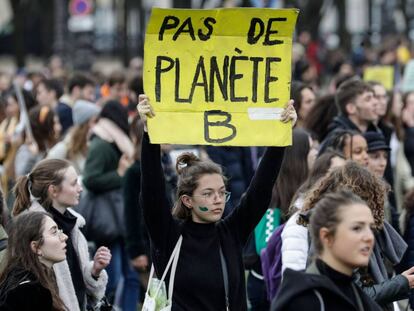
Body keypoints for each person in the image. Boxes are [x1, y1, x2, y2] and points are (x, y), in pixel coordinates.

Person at [137, 94, 296, 310]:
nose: (218, 200)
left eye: (222, 193)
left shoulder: (231, 232)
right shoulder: (169, 235)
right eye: (208, 194)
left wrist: (281, 134)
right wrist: (149, 133)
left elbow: (260, 189)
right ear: (187, 200)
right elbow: (152, 192)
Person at [12, 159, 110, 311]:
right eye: (73, 183)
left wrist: (94, 271)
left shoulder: (74, 224)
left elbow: (78, 284)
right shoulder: (32, 229)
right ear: (53, 190)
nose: (80, 188)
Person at [271, 190, 382, 311]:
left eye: (371, 228)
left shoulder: (360, 299)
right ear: (326, 237)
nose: (369, 237)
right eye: (357, 228)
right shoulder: (304, 300)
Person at [82, 100, 136, 309]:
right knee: (111, 278)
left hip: (122, 213)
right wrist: (120, 175)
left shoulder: (114, 140)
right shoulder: (101, 143)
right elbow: (90, 179)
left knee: (130, 276)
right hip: (109, 218)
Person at [0, 212, 68, 311]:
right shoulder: (31, 292)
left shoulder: (23, 282)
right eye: (54, 232)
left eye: (59, 230)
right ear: (36, 247)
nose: (64, 237)